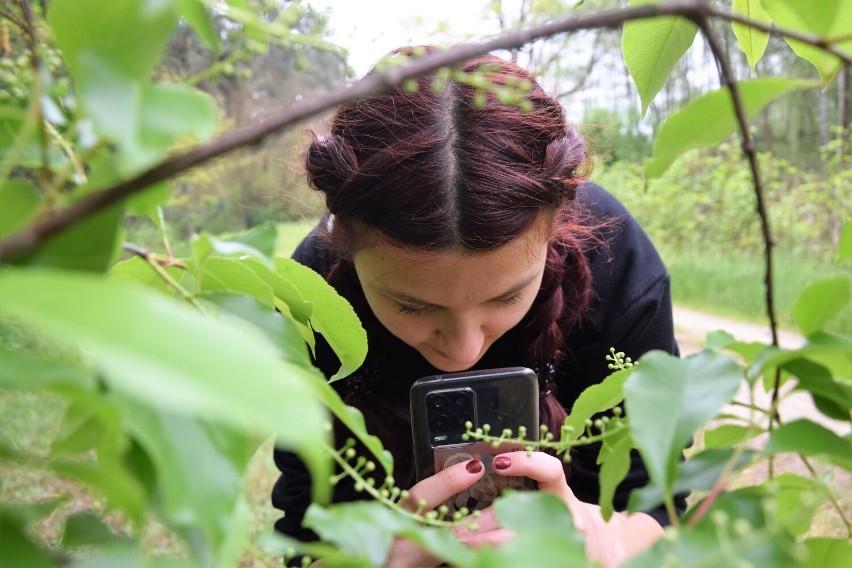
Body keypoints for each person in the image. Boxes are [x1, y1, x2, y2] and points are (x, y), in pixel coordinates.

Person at [272, 45, 687, 567]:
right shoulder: (313, 296)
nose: (464, 350)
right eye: (412, 306)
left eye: (508, 295)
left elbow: (657, 507)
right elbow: (303, 528)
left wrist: (604, 543)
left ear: (558, 225)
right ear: (346, 247)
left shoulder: (614, 260)